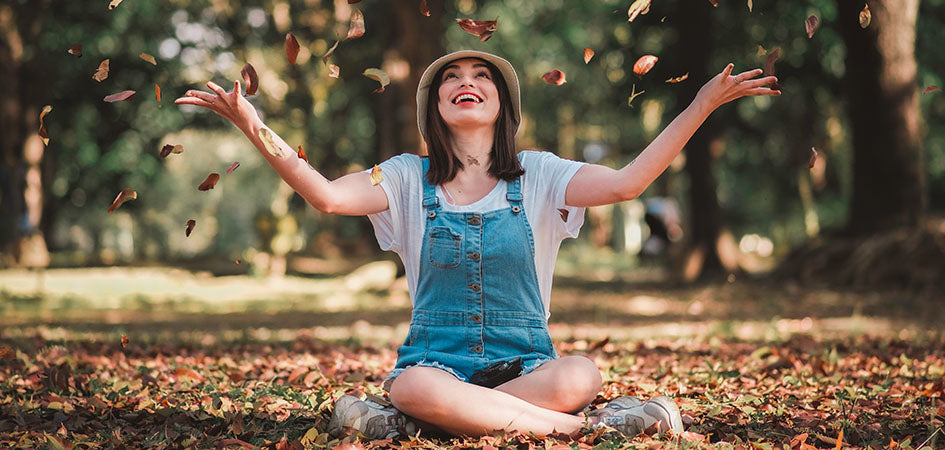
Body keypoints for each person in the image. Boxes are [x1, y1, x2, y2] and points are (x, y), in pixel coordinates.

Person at [176, 49, 780, 439]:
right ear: (437, 108)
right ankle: (578, 432)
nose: (466, 83)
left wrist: (702, 103)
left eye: (481, 76)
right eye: (452, 80)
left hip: (529, 368)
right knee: (413, 385)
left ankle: (426, 425)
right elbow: (328, 196)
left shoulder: (541, 175)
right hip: (436, 366)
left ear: (502, 105)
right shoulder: (407, 178)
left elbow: (629, 183)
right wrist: (252, 124)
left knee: (580, 373)